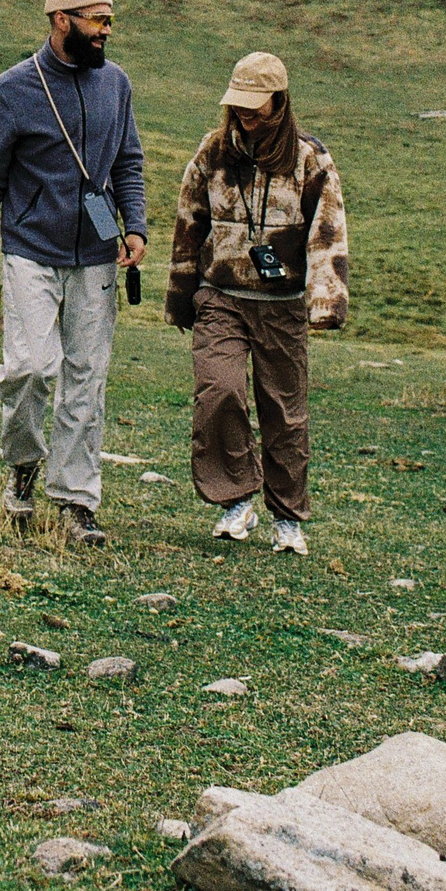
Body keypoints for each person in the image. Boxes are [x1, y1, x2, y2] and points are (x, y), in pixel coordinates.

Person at [0, 0, 147, 547]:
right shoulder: (13, 87)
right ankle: (22, 464)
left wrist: (134, 225)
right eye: (97, 20)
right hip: (28, 249)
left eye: (110, 21)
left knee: (86, 378)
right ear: (62, 20)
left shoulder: (116, 84)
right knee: (31, 369)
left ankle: (75, 502)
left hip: (96, 254)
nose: (106, 31)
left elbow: (129, 162)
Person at [165, 51, 347, 555]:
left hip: (282, 304)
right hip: (221, 296)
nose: (246, 113)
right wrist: (182, 296)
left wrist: (326, 301)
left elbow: (328, 231)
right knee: (218, 391)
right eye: (238, 103)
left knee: (284, 413)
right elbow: (189, 221)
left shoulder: (311, 158)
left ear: (279, 101)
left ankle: (287, 518)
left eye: (256, 105)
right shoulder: (212, 151)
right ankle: (236, 496)